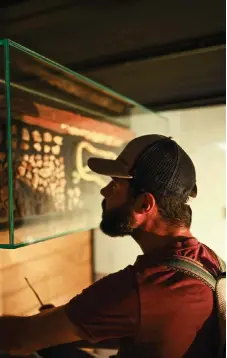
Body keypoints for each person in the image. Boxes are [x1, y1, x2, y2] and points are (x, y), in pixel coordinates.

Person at [0, 134, 222, 358]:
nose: (104, 191)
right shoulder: (209, 262)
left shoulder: (143, 288)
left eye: (115, 185)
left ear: (145, 204)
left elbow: (17, 339)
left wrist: (53, 324)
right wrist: (72, 318)